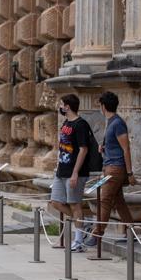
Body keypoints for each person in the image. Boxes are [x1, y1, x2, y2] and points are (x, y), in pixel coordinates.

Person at [90, 91, 136, 240]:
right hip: (109, 165)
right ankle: (131, 231)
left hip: (115, 168)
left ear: (103, 106)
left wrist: (130, 173)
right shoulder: (110, 122)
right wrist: (104, 147)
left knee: (105, 199)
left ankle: (97, 233)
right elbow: (115, 145)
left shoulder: (117, 123)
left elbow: (126, 149)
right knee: (118, 200)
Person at [50, 94, 91, 252]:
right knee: (56, 202)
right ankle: (83, 222)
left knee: (75, 204)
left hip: (75, 172)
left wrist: (75, 173)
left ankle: (79, 240)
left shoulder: (80, 125)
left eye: (61, 104)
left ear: (67, 106)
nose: (60, 107)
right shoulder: (66, 123)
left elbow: (83, 149)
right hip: (62, 170)